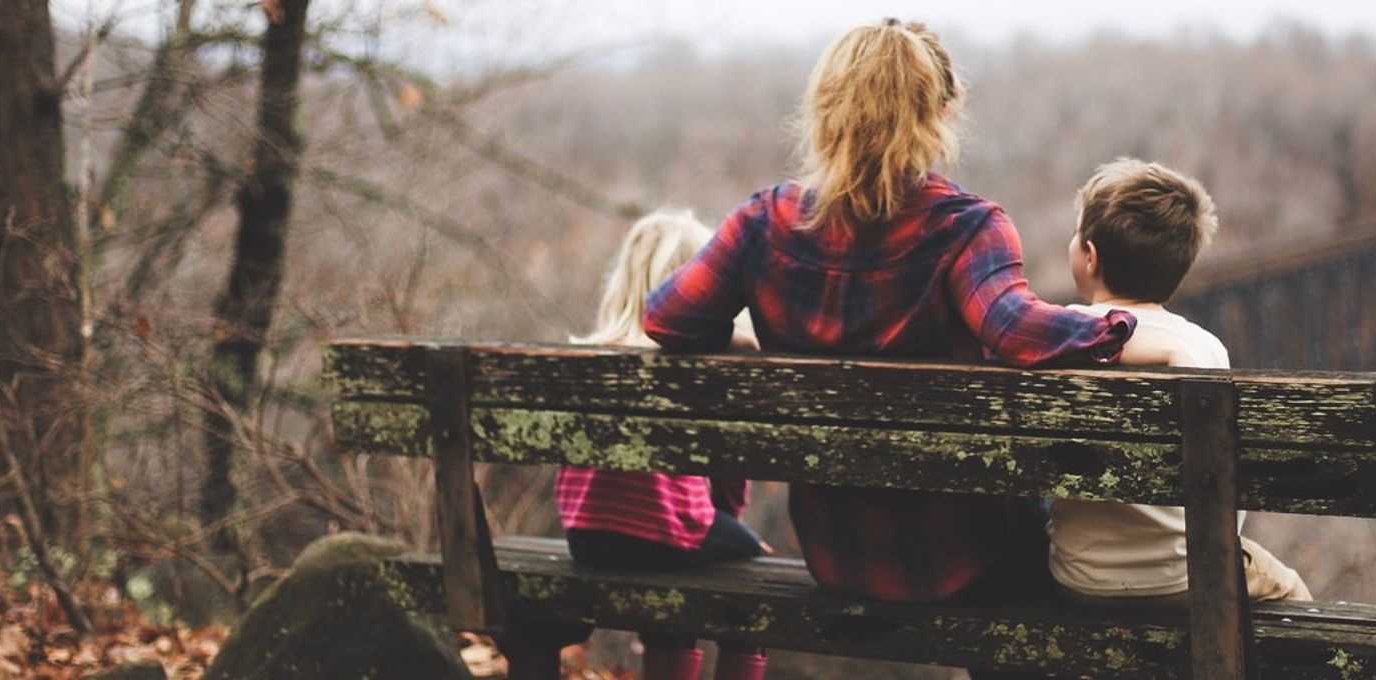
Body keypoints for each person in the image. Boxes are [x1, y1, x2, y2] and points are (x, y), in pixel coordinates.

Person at [642, 17, 1134, 622]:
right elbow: (1014, 329)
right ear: (940, 113)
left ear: (826, 109)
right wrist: (1121, 326)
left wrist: (736, 339)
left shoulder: (762, 222)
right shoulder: (966, 228)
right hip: (973, 563)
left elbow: (667, 318)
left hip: (838, 559)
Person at [1049, 158, 1312, 609]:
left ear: (1089, 256)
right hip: (1187, 579)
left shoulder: (1055, 335)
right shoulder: (1203, 348)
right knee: (1290, 588)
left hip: (1079, 578)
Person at [558, 210, 767, 680]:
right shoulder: (699, 365)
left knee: (680, 572)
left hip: (584, 537)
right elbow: (729, 468)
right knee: (752, 582)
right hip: (666, 534)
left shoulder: (586, 359)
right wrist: (730, 526)